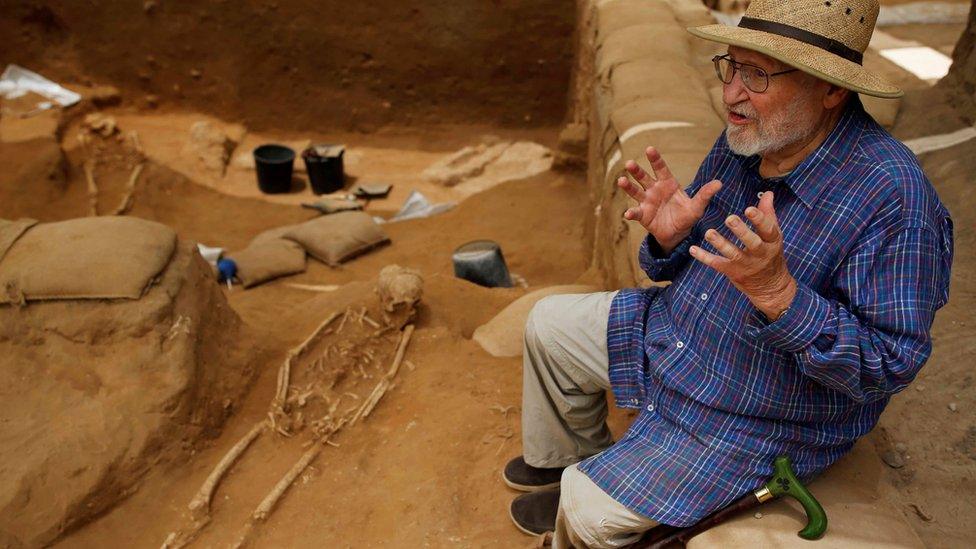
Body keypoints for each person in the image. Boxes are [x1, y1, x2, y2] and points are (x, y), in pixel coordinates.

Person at [503, 0, 954, 547]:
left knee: (587, 511)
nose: (733, 93)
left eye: (758, 74)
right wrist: (672, 238)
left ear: (831, 90)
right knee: (548, 324)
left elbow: (889, 365)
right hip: (680, 335)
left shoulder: (896, 200)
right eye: (732, 65)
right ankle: (566, 462)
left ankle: (581, 503)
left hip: (757, 412)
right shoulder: (752, 133)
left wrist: (781, 295)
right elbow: (699, 255)